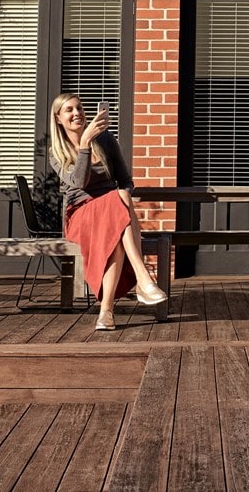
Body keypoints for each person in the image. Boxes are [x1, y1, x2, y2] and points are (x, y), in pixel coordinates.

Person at [49, 93, 168, 331]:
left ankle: (106, 312)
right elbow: (80, 184)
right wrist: (84, 146)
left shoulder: (105, 140)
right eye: (69, 110)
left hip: (112, 211)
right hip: (81, 213)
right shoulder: (57, 152)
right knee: (119, 200)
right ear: (59, 119)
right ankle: (142, 278)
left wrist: (119, 196)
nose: (77, 113)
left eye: (80, 108)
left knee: (121, 198)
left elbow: (125, 180)